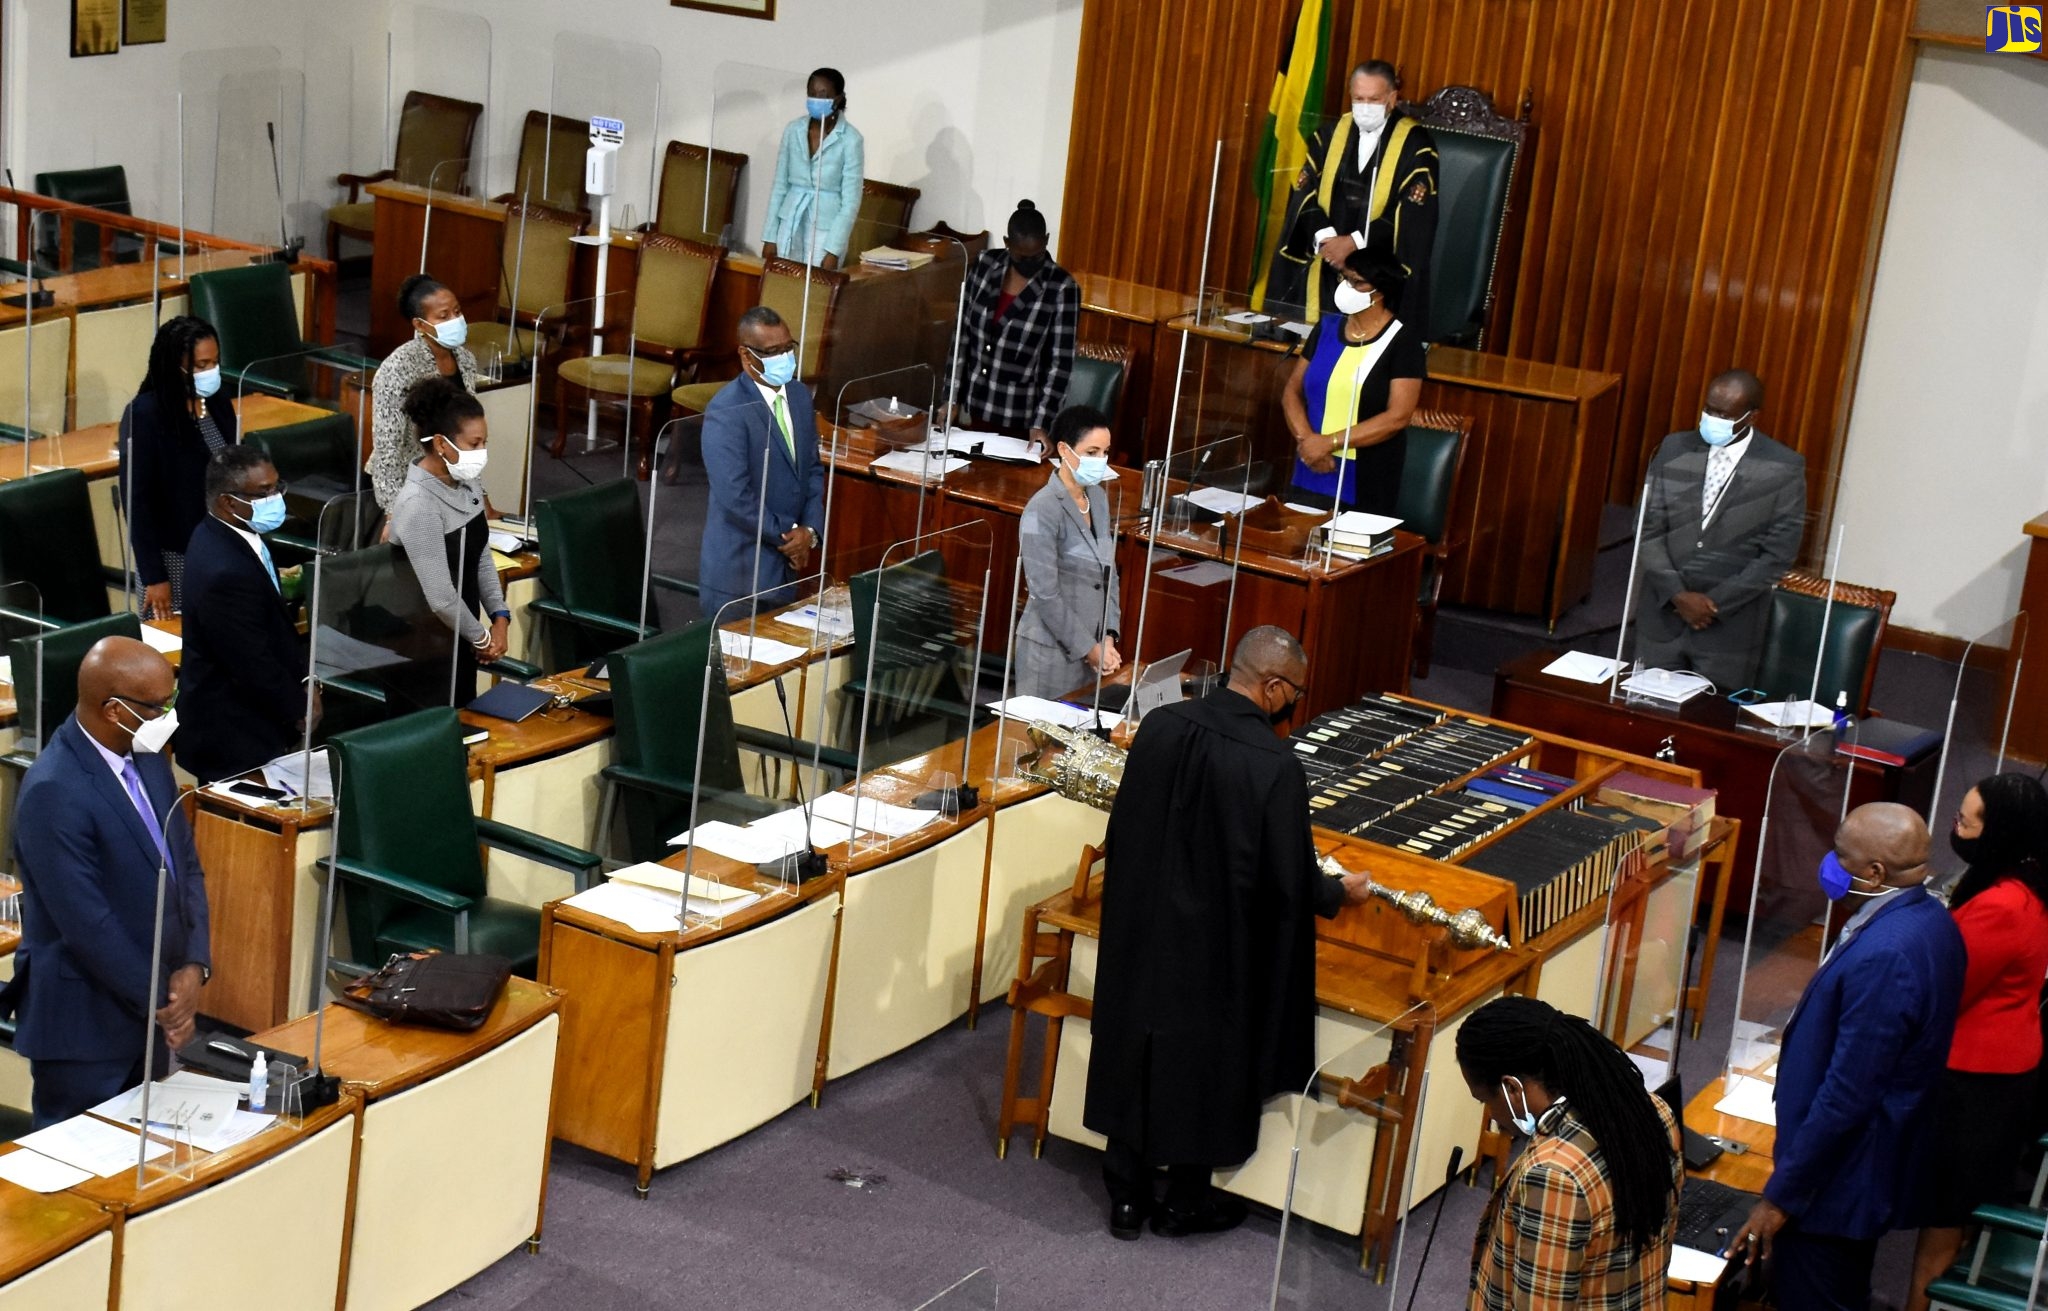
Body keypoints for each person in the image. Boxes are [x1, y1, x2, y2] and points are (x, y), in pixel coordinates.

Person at [1083, 626, 1372, 1239]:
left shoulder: (1161, 727)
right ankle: (1186, 1199)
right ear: (1272, 687)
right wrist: (1338, 893)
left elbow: (1127, 829)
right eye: (1295, 690)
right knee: (1205, 1066)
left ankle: (1127, 1199)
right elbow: (1290, 879)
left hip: (1140, 930)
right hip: (1216, 949)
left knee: (1134, 1048)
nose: (1295, 702)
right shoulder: (1273, 765)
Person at [1727, 802, 1966, 1311]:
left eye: (1841, 855)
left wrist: (1781, 1197)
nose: (1830, 863)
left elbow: (1848, 1094)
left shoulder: (1889, 954)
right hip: (1860, 1168)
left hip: (1835, 1189)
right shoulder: (1928, 919)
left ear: (1875, 872)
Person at [4, 636, 211, 1128]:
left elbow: (186, 866)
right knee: (80, 1190)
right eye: (159, 707)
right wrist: (166, 999)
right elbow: (87, 923)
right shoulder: (54, 790)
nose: (168, 716)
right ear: (115, 710)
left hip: (154, 1013)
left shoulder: (148, 759)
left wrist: (196, 965)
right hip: (84, 1029)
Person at [1906, 775, 2048, 1311]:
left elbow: (1945, 989)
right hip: (1997, 1075)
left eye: (1966, 821)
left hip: (1976, 1090)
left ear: (2000, 831)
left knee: (1944, 1227)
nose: (1955, 829)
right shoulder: (2023, 883)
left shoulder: (2004, 905)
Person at [1457, 995, 1681, 1310]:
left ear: (1512, 1088)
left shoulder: (1552, 1176)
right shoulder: (1654, 1111)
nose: (1491, 1116)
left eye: (1484, 1100)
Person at [1634, 369, 1807, 691]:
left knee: (1710, 727)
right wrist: (1678, 595)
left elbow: (1777, 555)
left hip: (1728, 632)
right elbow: (1648, 529)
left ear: (1752, 417)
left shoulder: (1784, 467)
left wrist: (1713, 605)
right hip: (1662, 620)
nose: (1712, 418)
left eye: (1723, 414)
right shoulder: (1674, 448)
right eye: (1709, 409)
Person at [1261, 59, 1438, 327]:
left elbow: (1413, 214)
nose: (1365, 107)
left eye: (1374, 99)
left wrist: (1355, 242)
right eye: (1359, 98)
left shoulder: (1417, 145)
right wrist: (1327, 239)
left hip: (1378, 272)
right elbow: (1303, 188)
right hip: (1324, 258)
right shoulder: (1330, 133)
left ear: (1392, 98)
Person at [177, 447, 317, 784]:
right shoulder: (224, 571)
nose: (275, 498)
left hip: (248, 718)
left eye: (276, 487)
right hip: (232, 733)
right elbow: (251, 662)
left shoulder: (223, 533)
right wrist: (299, 706)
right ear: (228, 502)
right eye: (264, 492)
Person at [698, 306, 826, 620]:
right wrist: (790, 538)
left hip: (786, 570)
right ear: (745, 354)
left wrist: (809, 532)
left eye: (787, 348)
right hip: (739, 576)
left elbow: (811, 470)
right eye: (772, 352)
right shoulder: (727, 411)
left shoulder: (798, 396)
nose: (784, 358)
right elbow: (735, 497)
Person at [388, 376, 508, 707]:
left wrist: (500, 618)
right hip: (424, 647)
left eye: (484, 443)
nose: (482, 453)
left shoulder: (466, 484)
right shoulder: (418, 504)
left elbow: (480, 557)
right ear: (442, 444)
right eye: (474, 444)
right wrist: (483, 637)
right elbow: (440, 597)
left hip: (464, 636)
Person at [1279, 246, 1424, 514]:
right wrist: (1308, 441)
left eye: (1357, 282)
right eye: (1344, 278)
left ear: (1380, 290)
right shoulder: (1326, 328)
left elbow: (1398, 417)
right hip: (1310, 464)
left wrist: (1328, 443)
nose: (1346, 287)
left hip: (1366, 476)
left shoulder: (1402, 342)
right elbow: (1292, 391)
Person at [122, 315, 237, 619]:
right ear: (176, 366)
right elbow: (137, 502)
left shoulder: (218, 402)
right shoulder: (145, 415)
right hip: (175, 557)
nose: (211, 372)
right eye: (201, 366)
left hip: (223, 548)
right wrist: (154, 577)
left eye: (215, 362)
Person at [1015, 405, 1121, 698]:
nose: (1101, 461)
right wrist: (1090, 649)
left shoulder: (1098, 498)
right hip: (1050, 657)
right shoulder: (1042, 509)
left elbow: (1108, 572)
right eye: (1091, 453)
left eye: (1105, 452)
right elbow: (1045, 594)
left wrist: (1109, 635)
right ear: (1063, 449)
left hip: (1094, 653)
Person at [957, 200, 1081, 443]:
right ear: (1006, 243)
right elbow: (961, 336)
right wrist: (950, 398)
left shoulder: (1061, 287)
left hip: (1019, 419)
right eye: (1020, 256)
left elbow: (1060, 365)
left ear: (1046, 241)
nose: (1028, 264)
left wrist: (1042, 423)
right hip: (970, 409)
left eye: (1035, 256)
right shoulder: (985, 265)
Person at [370, 273, 479, 512]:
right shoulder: (398, 368)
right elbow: (387, 449)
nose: (456, 320)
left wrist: (479, 497)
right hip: (408, 486)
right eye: (443, 316)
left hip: (452, 483)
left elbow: (466, 436)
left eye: (457, 312)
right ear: (420, 325)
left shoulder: (466, 360)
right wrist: (394, 511)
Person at [761, 68, 863, 270]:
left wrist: (834, 250)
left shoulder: (851, 139)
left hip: (826, 229)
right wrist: (770, 236)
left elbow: (851, 201)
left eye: (823, 95)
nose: (816, 99)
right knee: (782, 286)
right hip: (789, 220)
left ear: (838, 98)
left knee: (817, 291)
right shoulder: (793, 130)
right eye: (812, 94)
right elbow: (779, 185)